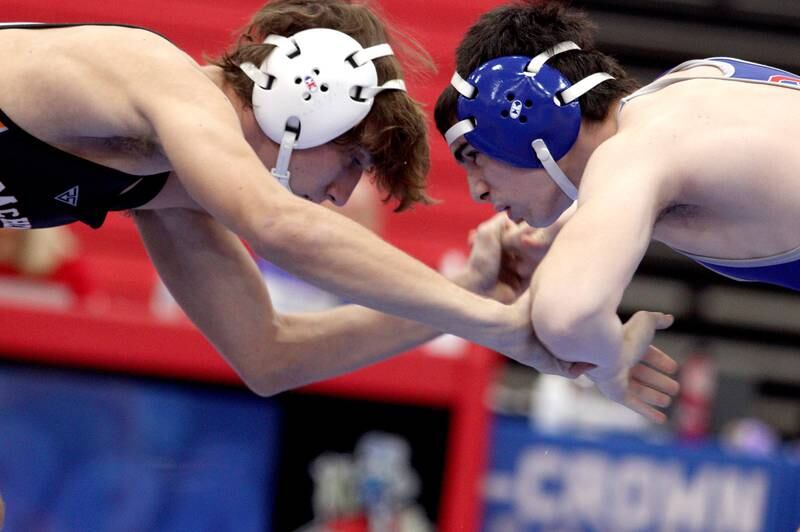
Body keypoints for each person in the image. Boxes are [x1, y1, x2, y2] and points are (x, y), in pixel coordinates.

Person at [435, 0, 800, 408]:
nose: (476, 190)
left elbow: (567, 316)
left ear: (522, 116)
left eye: (474, 155)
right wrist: (555, 232)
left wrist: (612, 366)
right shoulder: (688, 85)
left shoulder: (635, 155)